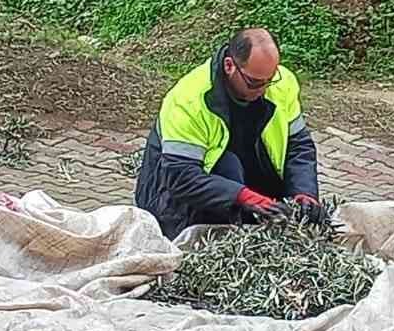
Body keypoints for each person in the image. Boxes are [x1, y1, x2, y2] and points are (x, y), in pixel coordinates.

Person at [134, 27, 322, 237]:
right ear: (229, 66)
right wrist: (242, 196)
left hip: (242, 181)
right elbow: (180, 176)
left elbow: (299, 146)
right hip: (174, 200)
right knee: (229, 166)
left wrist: (304, 193)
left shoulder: (281, 83)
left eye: (270, 80)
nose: (264, 89)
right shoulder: (188, 100)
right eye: (254, 83)